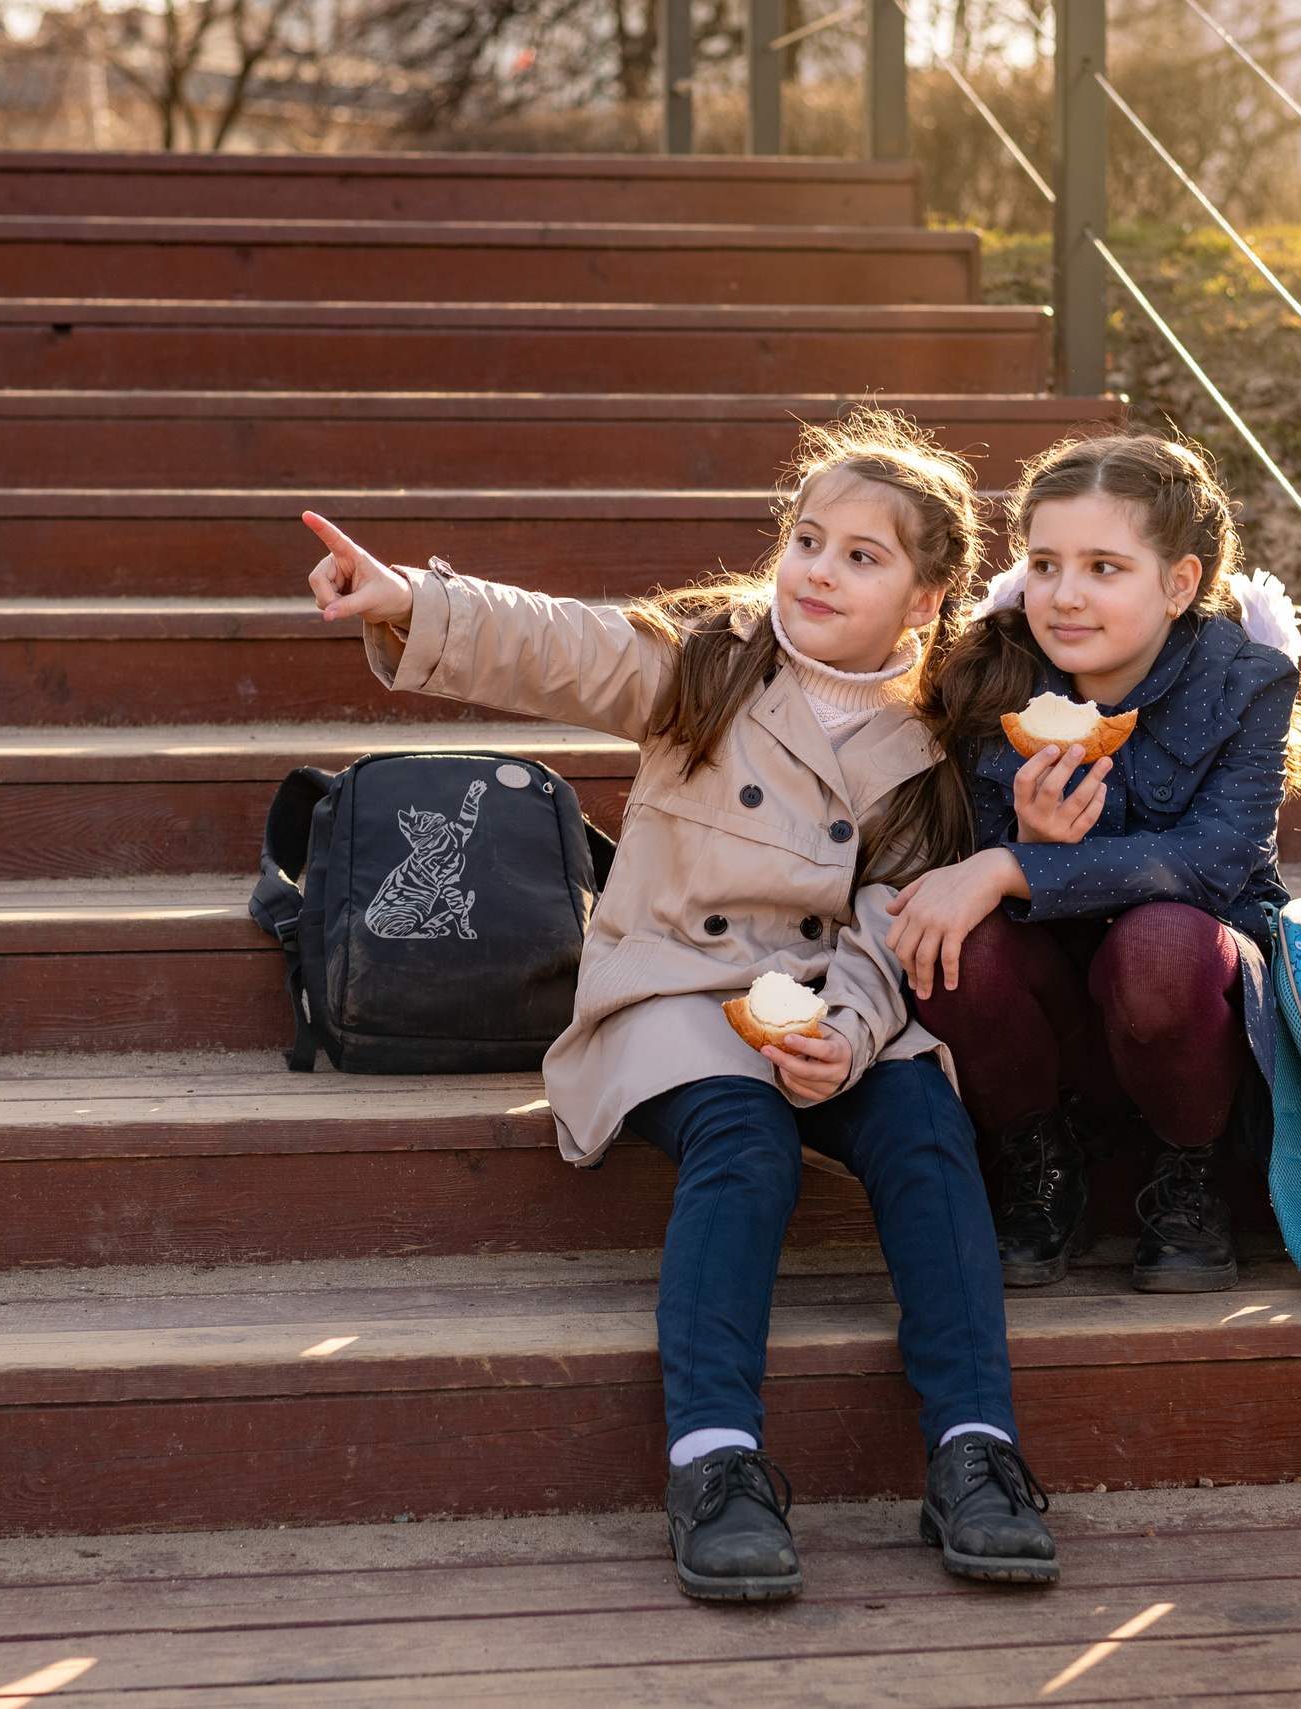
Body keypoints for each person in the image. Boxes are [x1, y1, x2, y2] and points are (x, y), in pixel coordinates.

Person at [302, 410, 1055, 1604]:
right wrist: (412, 600)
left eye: (862, 556)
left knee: (924, 1122)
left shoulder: (926, 749)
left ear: (924, 599)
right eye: (807, 539)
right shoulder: (710, 666)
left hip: (825, 1000)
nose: (818, 570)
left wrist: (850, 1033)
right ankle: (715, 1461)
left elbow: (890, 917)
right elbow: (564, 645)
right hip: (674, 991)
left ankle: (976, 1448)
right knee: (744, 1139)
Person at [884, 434, 1301, 1295]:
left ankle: (1188, 1170)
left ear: (1180, 583)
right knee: (949, 937)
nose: (1065, 595)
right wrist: (1023, 844)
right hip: (1054, 1021)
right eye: (1045, 564)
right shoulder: (992, 674)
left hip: (1192, 1014)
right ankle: (1040, 1160)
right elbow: (961, 867)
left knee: (1159, 943)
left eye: (1104, 568)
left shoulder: (1248, 682)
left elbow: (1215, 861)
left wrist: (1014, 868)